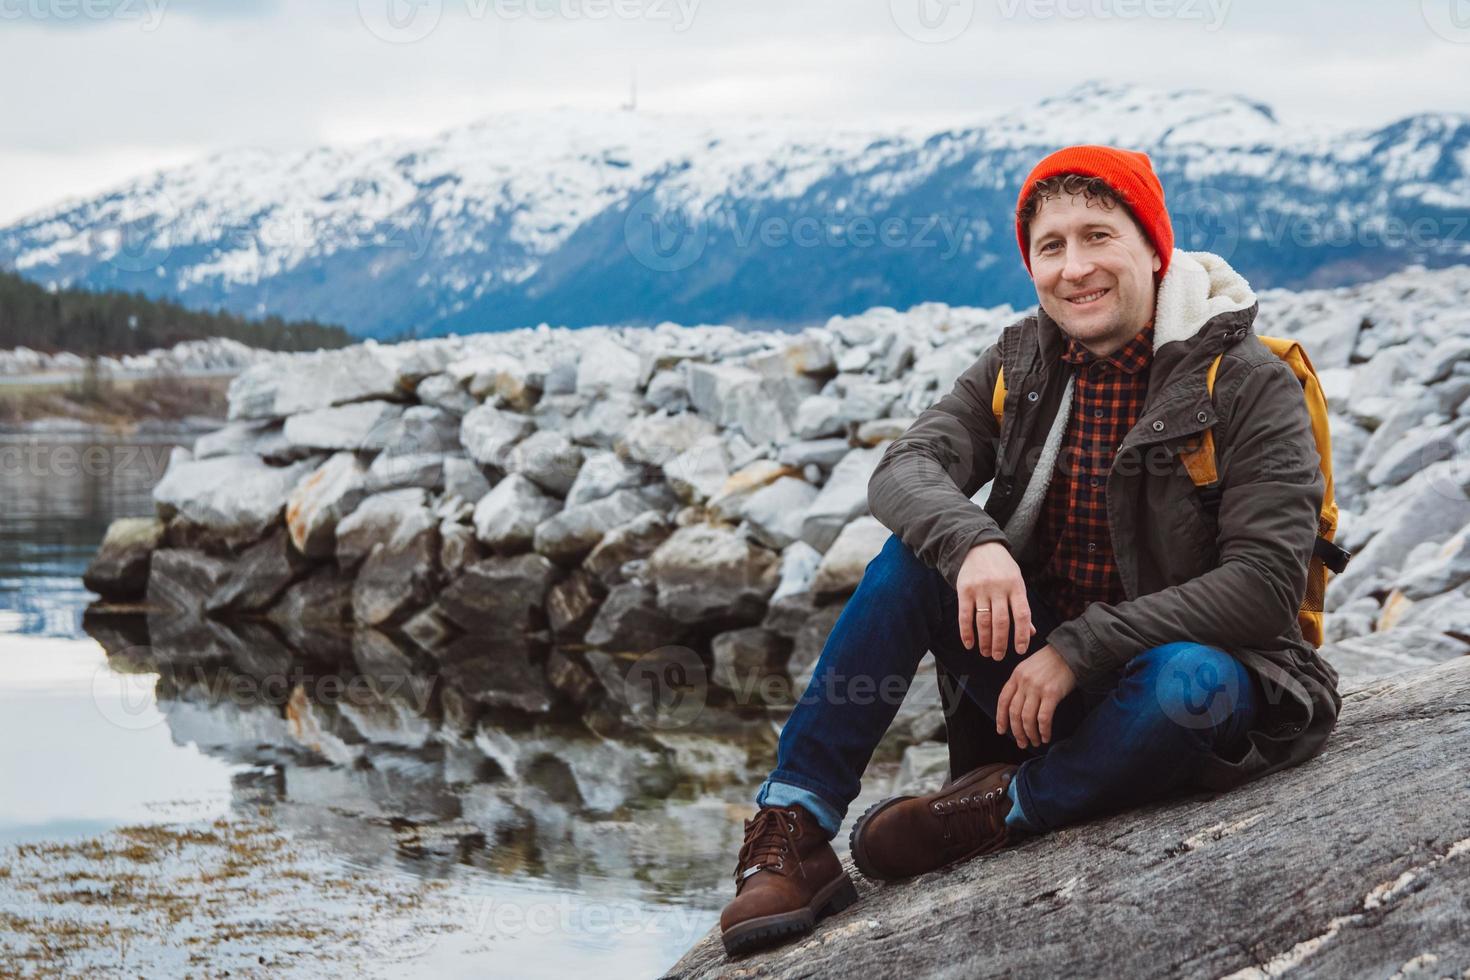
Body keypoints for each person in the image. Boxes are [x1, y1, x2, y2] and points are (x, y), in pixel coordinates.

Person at [718, 144, 1342, 957]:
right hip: (1042, 681)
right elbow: (905, 467)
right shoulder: (1025, 362)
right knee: (911, 562)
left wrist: (1081, 649)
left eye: (1099, 236)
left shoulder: (1250, 382)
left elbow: (1260, 589)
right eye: (1051, 247)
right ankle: (795, 827)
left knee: (1188, 679)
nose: (1074, 268)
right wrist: (974, 542)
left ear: (1154, 248)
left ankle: (997, 809)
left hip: (1200, 677)